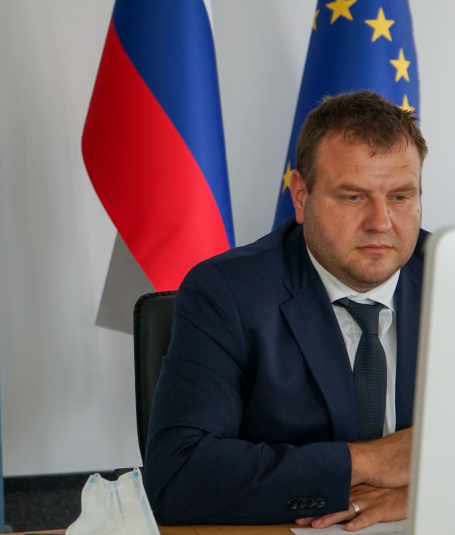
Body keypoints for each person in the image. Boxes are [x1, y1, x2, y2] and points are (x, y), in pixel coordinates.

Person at [142, 90, 428, 530]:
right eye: (353, 196)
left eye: (401, 197)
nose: (381, 222)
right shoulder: (228, 292)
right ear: (300, 196)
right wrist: (369, 461)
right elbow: (178, 476)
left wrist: (418, 489)